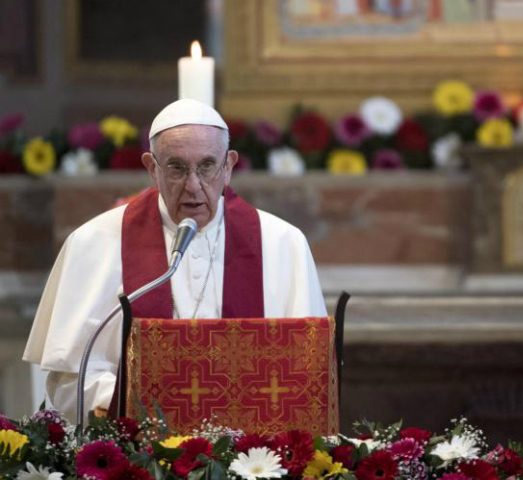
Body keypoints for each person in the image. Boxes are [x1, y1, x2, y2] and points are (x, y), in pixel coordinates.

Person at [22, 99, 327, 422]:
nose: (193, 186)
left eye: (207, 166)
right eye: (177, 168)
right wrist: (145, 405)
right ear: (152, 168)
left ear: (229, 167)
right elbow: (71, 378)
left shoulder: (282, 243)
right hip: (138, 452)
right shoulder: (93, 243)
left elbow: (307, 373)